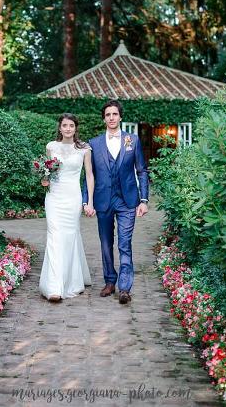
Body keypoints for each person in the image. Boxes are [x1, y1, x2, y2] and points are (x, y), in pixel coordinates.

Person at [82, 100, 149, 305]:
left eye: (115, 114)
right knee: (105, 244)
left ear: (120, 117)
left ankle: (125, 288)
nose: (111, 118)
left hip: (128, 200)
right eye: (108, 114)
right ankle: (110, 281)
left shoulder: (133, 140)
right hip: (103, 200)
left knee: (124, 243)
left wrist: (144, 200)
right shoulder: (93, 144)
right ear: (104, 118)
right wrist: (87, 201)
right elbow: (88, 175)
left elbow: (142, 171)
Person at [39, 114, 93, 302]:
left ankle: (73, 279)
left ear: (75, 128)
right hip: (54, 197)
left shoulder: (85, 149)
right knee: (54, 236)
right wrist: (44, 179)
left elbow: (89, 176)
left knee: (70, 235)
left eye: (71, 125)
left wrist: (90, 202)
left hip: (72, 197)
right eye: (65, 125)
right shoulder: (51, 147)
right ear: (60, 128)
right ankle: (54, 287)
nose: (68, 128)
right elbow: (47, 173)